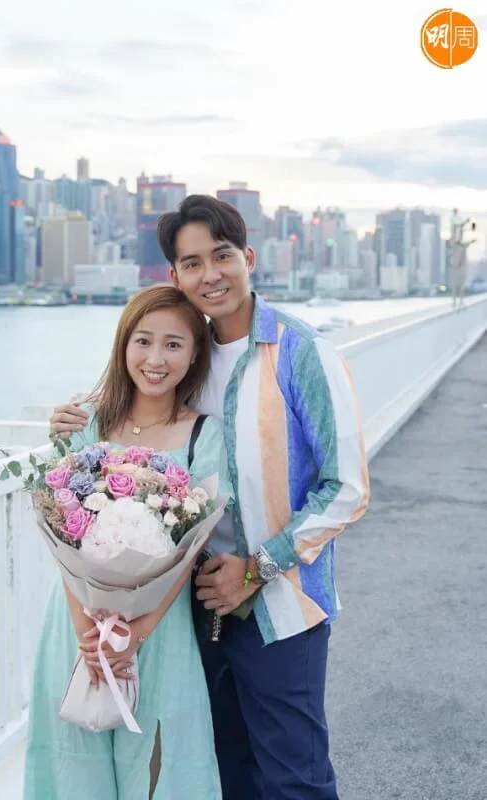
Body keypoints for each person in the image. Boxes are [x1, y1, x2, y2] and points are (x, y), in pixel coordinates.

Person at [50, 195, 371, 799]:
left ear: (248, 258)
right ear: (175, 276)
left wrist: (256, 568)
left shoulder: (301, 352)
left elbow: (347, 488)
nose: (210, 274)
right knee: (224, 776)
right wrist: (69, 424)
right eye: (192, 263)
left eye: (222, 256)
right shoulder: (185, 354)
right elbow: (140, 426)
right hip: (194, 608)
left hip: (280, 607)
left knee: (294, 779)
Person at [24, 284, 233, 800]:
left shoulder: (204, 436)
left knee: (162, 766)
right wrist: (91, 638)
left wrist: (133, 635)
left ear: (194, 356)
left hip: (160, 627)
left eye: (173, 344)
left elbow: (188, 552)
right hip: (76, 625)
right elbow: (63, 534)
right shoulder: (85, 422)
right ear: (123, 345)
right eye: (143, 340)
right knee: (74, 766)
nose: (155, 359)